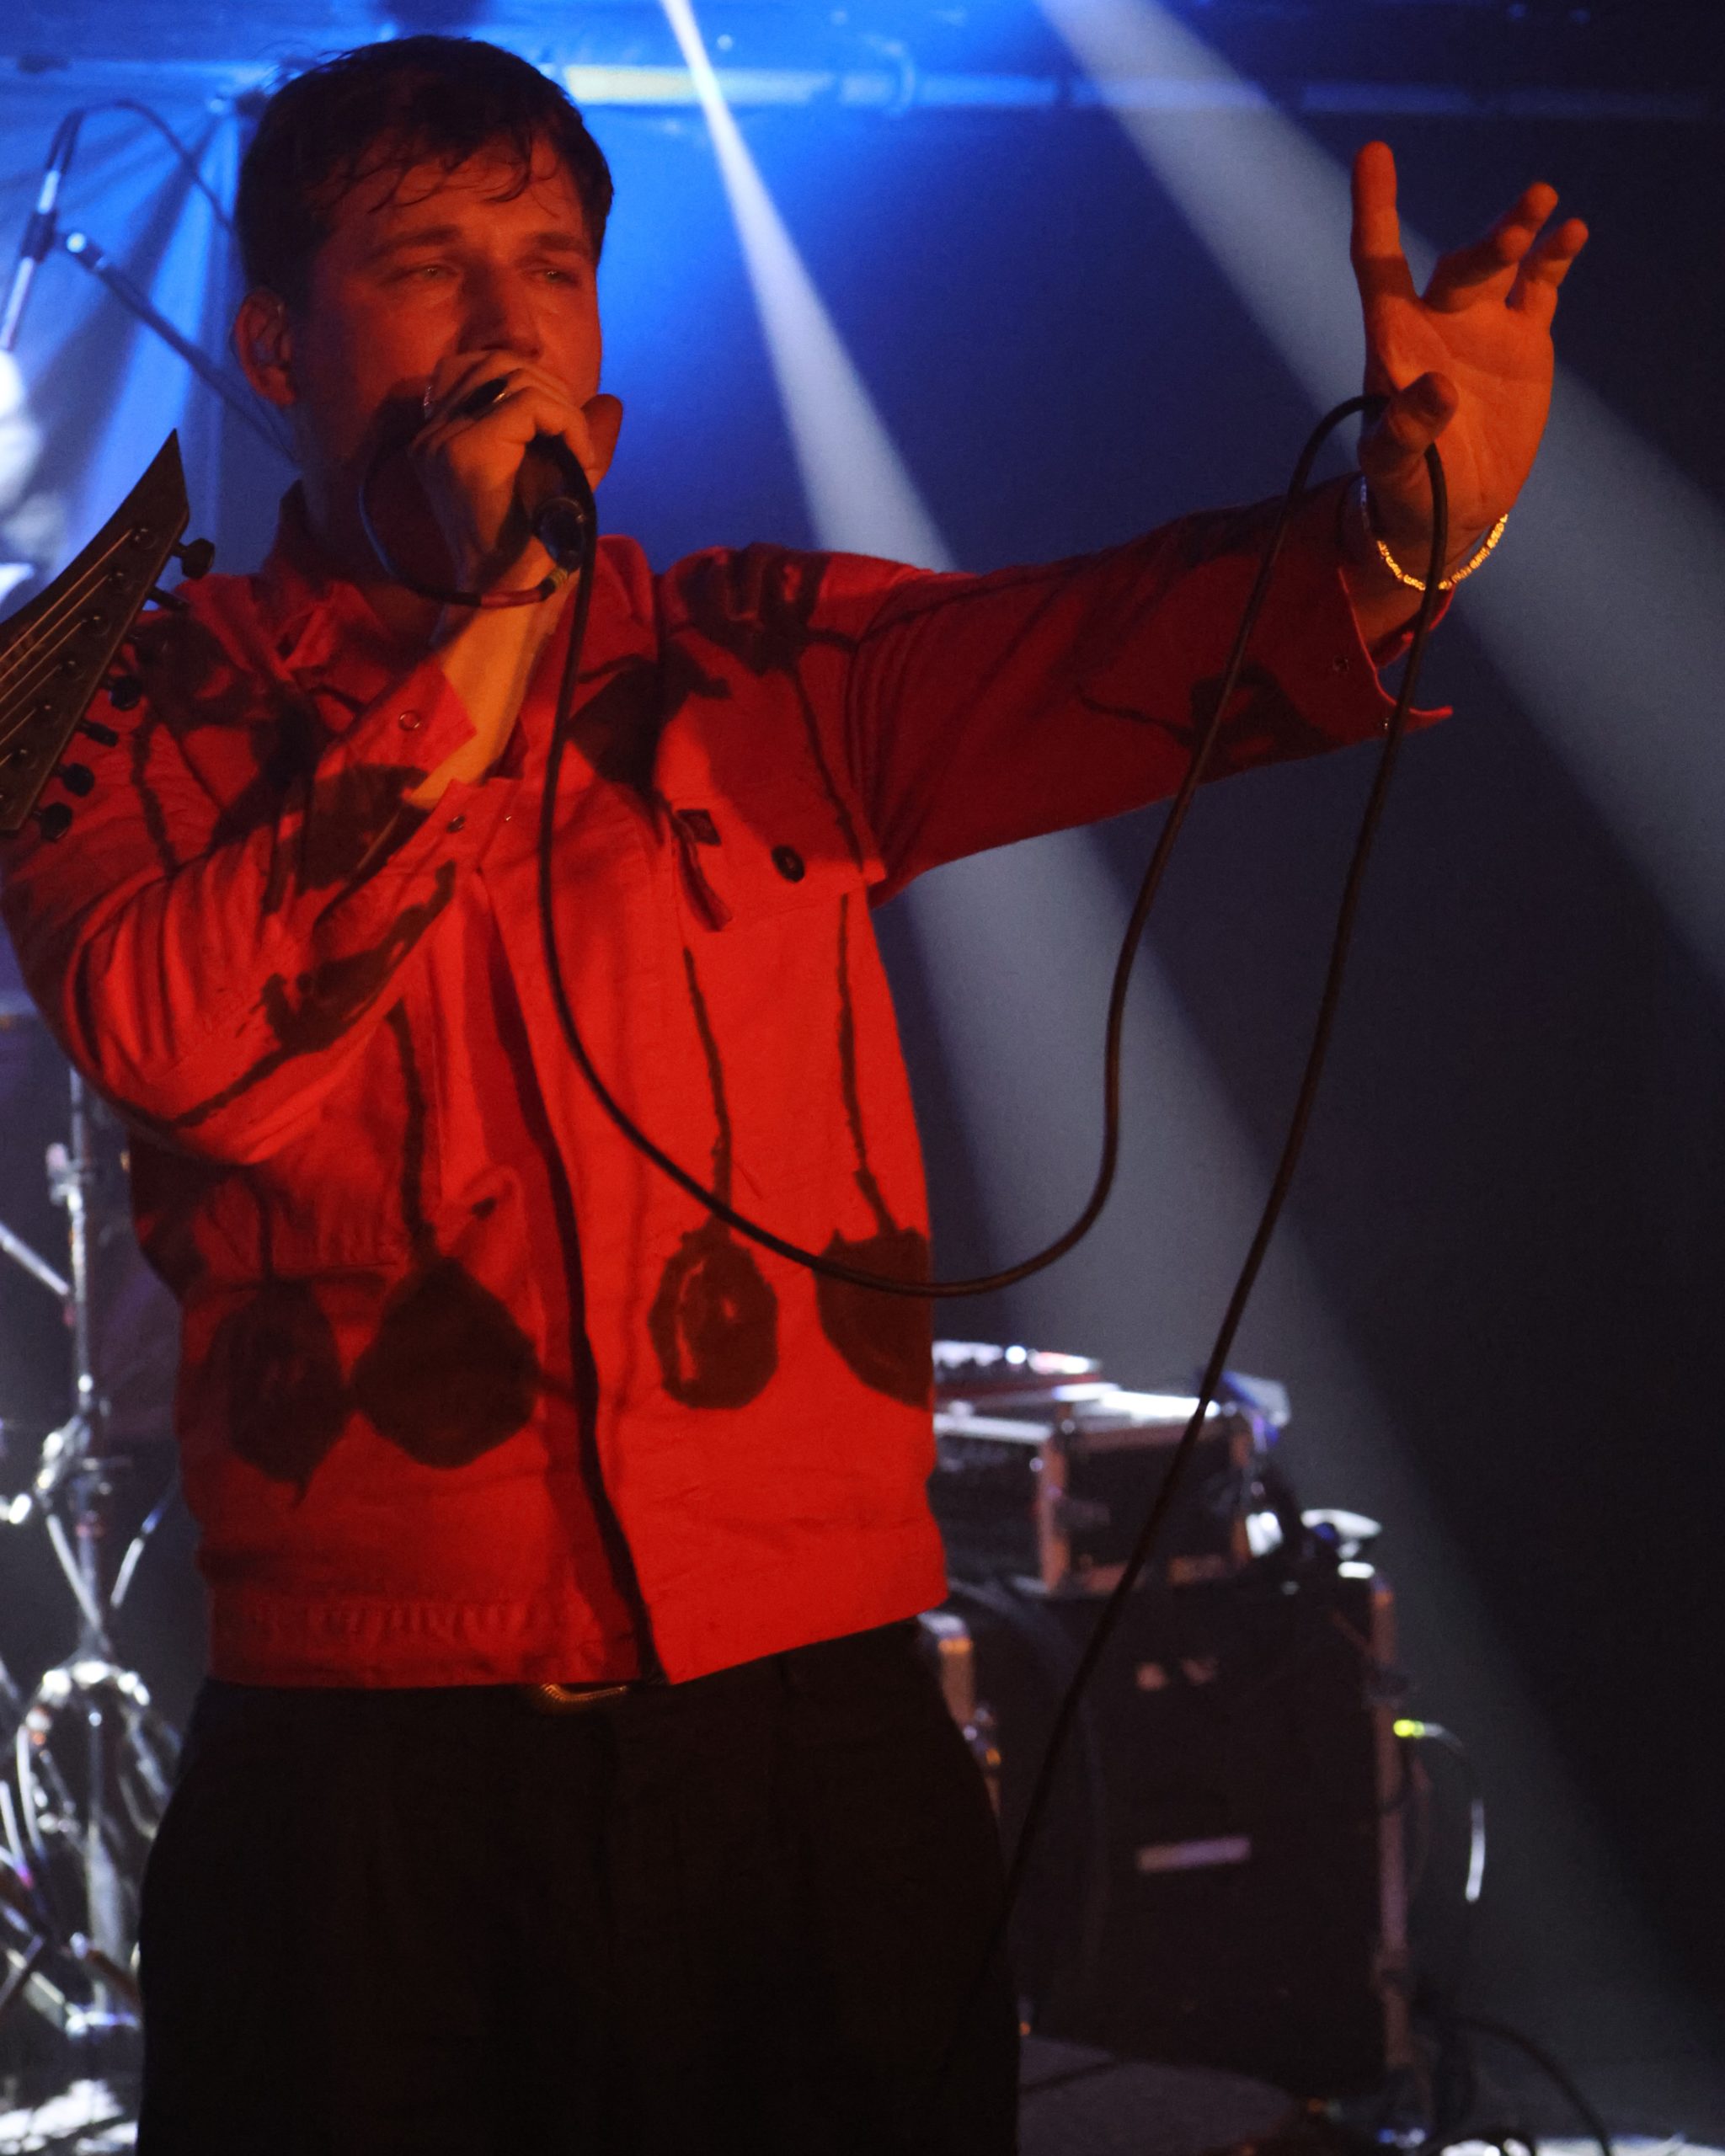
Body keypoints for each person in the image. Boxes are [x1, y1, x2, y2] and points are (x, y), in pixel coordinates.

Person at [0, 34, 1586, 2156]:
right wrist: (490, 633)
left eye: (552, 268)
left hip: (813, 1748)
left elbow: (1112, 645)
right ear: (278, 345)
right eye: (428, 261)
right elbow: (183, 1037)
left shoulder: (750, 656)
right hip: (367, 1776)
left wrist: (1402, 534)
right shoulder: (120, 704)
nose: (503, 326)